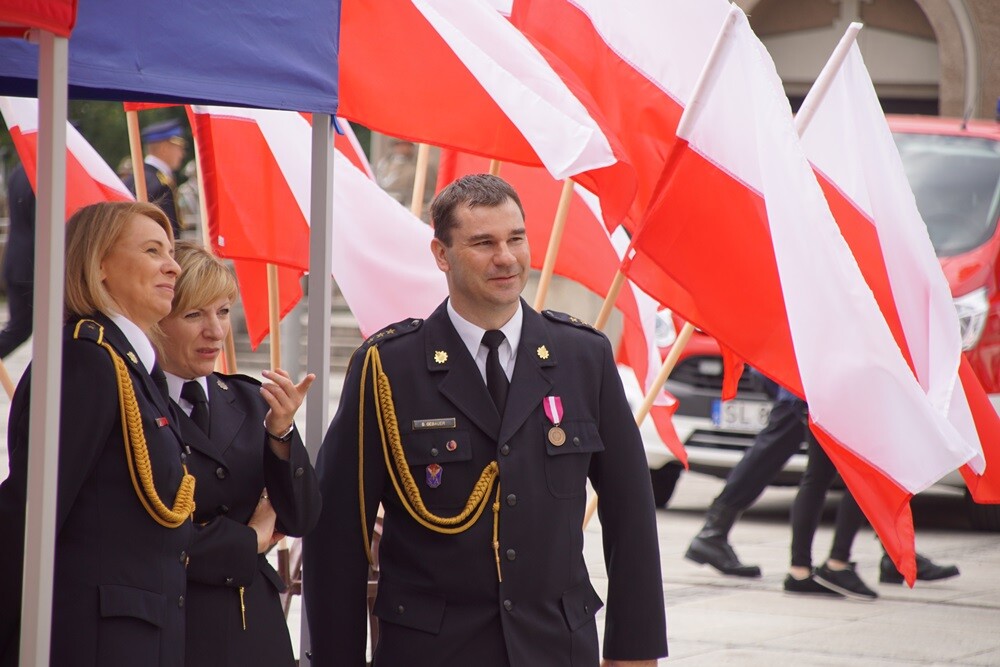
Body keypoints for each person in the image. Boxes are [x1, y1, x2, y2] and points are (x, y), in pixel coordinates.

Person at [304, 174, 667, 666]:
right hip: (432, 652)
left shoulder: (583, 357)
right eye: (483, 243)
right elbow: (338, 535)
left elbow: (631, 515)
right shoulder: (388, 368)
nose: (506, 258)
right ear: (441, 254)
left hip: (554, 648)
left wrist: (634, 654)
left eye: (516, 238)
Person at [0, 201, 193, 666]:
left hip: (143, 636)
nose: (173, 266)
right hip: (97, 641)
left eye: (171, 253)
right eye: (152, 251)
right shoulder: (88, 361)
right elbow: (32, 512)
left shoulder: (131, 367)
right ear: (98, 265)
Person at [154, 241, 321, 666]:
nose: (215, 331)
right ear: (156, 318)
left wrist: (282, 434)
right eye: (194, 315)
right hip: (176, 625)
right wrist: (250, 540)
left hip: (253, 627)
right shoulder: (137, 404)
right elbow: (150, 538)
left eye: (224, 311)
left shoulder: (249, 400)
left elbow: (301, 517)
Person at [685, 384, 960, 586]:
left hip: (812, 379)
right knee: (858, 467)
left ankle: (890, 552)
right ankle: (716, 533)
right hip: (811, 376)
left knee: (815, 463)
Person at [124, 119, 187, 237]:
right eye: (179, 148)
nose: (182, 154)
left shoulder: (136, 177)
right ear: (164, 149)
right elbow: (167, 233)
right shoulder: (159, 185)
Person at [0, 163, 35, 358]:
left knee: (16, 330)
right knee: (18, 330)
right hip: (33, 267)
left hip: (17, 262)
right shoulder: (44, 175)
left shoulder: (19, 171)